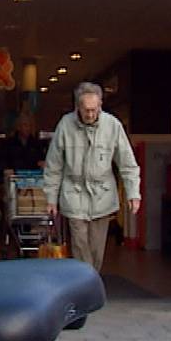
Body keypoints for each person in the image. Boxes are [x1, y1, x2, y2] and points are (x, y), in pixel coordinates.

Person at [42, 82, 141, 271]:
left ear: (101, 105)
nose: (90, 114)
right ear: (77, 107)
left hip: (102, 194)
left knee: (97, 248)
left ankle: (89, 279)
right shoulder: (65, 125)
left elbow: (127, 163)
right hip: (74, 192)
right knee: (80, 244)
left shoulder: (113, 125)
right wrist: (51, 199)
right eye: (86, 110)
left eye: (94, 110)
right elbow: (54, 166)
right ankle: (86, 283)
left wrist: (133, 193)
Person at [0, 109, 47, 182]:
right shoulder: (7, 144)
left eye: (30, 125)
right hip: (13, 180)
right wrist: (5, 170)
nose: (28, 128)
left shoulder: (36, 144)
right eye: (25, 125)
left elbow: (42, 160)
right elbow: (0, 162)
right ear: (18, 127)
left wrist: (43, 164)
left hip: (33, 180)